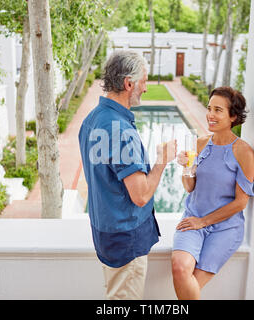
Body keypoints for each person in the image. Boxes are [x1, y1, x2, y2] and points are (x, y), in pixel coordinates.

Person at [78, 51, 177, 300]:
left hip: (105, 233)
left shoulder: (92, 120)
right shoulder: (121, 131)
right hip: (125, 238)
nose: (145, 88)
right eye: (143, 81)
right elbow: (141, 195)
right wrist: (162, 161)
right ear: (128, 83)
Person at [171, 86, 254, 300]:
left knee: (193, 284)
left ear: (233, 116)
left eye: (218, 110)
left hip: (225, 228)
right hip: (193, 220)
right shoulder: (200, 143)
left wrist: (204, 221)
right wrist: (186, 167)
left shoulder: (243, 152)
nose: (210, 114)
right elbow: (190, 187)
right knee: (180, 269)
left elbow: (240, 202)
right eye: (209, 108)